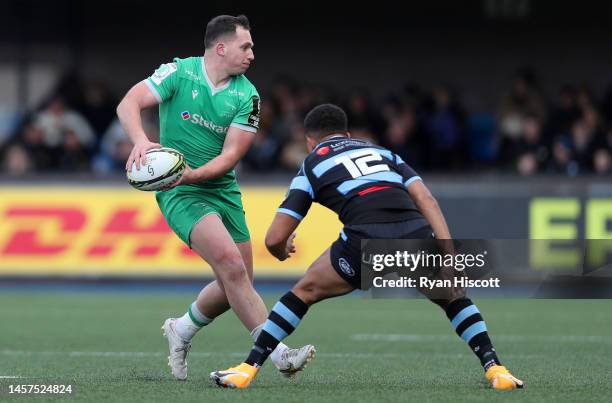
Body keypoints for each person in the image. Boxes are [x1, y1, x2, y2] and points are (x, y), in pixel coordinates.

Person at [210, 104, 524, 390]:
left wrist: (281, 250)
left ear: (309, 141)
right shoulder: (385, 154)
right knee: (452, 298)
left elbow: (274, 238)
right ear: (348, 134)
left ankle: (247, 369)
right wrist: (449, 256)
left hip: (365, 240)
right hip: (416, 233)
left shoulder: (312, 164)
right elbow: (426, 199)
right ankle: (496, 369)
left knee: (304, 291)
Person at [116, 14, 314, 381]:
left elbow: (229, 158)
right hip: (180, 192)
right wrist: (142, 141)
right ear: (221, 48)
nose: (252, 54)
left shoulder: (248, 96)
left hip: (220, 188)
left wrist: (189, 172)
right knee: (231, 267)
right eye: (246, 46)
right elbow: (129, 102)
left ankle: (182, 328)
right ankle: (279, 353)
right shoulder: (179, 73)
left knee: (235, 284)